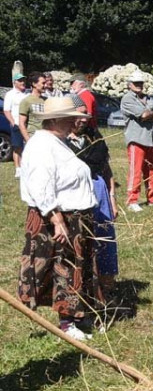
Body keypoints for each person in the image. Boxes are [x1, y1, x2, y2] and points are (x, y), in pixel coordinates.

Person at [18, 96, 102, 341]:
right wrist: (56, 218)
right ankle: (67, 322)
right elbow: (40, 184)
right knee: (63, 268)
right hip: (59, 216)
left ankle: (78, 313)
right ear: (55, 120)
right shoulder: (42, 145)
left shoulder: (59, 142)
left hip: (75, 216)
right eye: (70, 118)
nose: (77, 121)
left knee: (78, 267)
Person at [65, 94, 119, 302]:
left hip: (98, 191)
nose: (84, 120)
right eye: (79, 116)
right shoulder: (60, 141)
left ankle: (107, 287)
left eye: (85, 116)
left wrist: (112, 197)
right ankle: (82, 286)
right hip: (75, 194)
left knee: (104, 239)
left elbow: (106, 169)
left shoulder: (94, 136)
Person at [120, 70, 153, 212]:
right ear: (129, 85)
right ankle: (132, 200)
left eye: (140, 83)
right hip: (136, 139)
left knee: (152, 170)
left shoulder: (148, 98)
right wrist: (152, 114)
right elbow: (144, 115)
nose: (139, 85)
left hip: (150, 139)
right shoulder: (127, 99)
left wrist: (151, 115)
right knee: (136, 170)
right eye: (136, 83)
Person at [4, 73, 28, 177]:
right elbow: (6, 110)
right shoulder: (10, 94)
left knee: (26, 146)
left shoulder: (27, 94)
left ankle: (25, 166)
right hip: (17, 124)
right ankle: (18, 168)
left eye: (23, 80)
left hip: (27, 124)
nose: (23, 82)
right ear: (15, 82)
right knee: (17, 146)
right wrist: (13, 123)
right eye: (20, 80)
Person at [19, 71, 46, 141]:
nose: (45, 85)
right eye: (43, 83)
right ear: (34, 84)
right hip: (33, 137)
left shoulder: (47, 100)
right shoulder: (26, 101)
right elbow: (21, 123)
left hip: (46, 137)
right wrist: (28, 140)